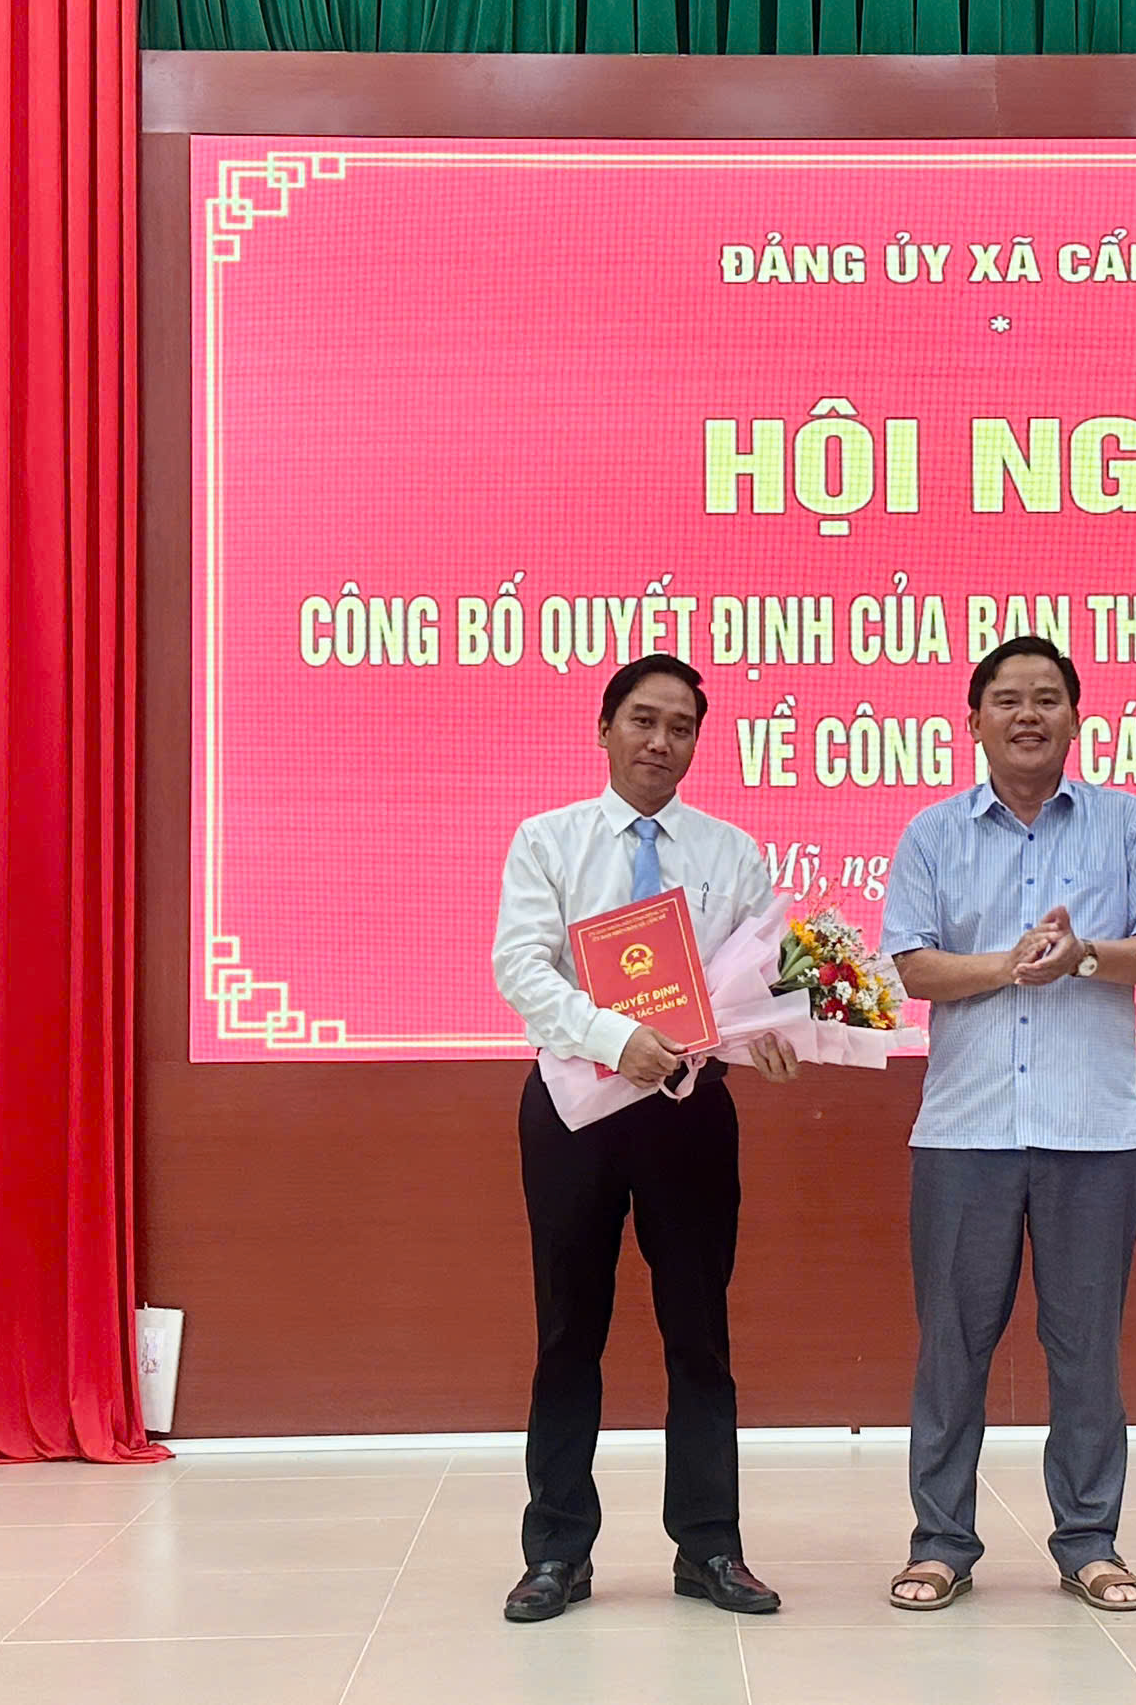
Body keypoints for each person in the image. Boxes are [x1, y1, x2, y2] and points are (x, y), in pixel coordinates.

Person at [879, 636, 1136, 1615]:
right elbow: (911, 965)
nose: (1028, 715)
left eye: (1047, 698)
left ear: (1074, 718)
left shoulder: (1127, 824)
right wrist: (1013, 965)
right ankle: (941, 1543)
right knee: (951, 1352)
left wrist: (1084, 955)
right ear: (973, 720)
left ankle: (1090, 1543)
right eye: (1008, 699)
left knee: (1086, 1350)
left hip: (1093, 1133)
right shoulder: (933, 834)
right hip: (963, 1133)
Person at [491, 654, 800, 1623]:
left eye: (680, 727)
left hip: (688, 1112)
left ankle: (709, 1546)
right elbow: (521, 967)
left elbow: (758, 981)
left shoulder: (731, 852)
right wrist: (612, 1037)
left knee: (699, 1333)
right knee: (566, 1331)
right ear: (605, 728)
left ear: (696, 744)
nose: (660, 741)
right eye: (642, 720)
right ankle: (556, 1552)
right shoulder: (547, 841)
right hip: (573, 1110)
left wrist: (779, 1033)